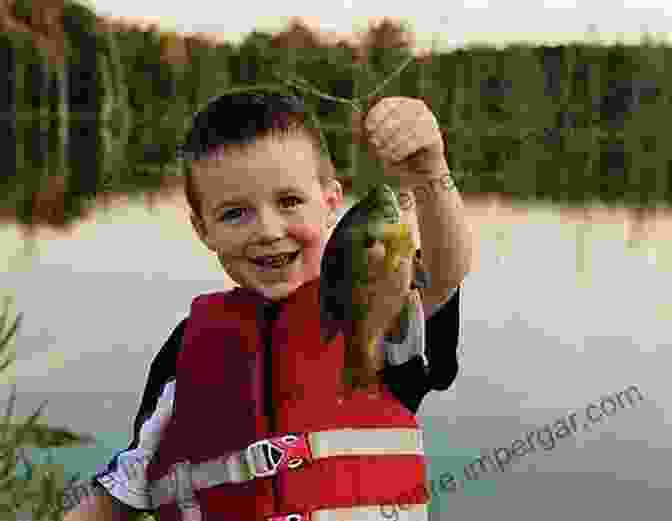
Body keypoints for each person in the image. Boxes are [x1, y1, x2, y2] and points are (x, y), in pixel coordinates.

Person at [63, 85, 473, 521]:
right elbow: (122, 490)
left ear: (331, 203)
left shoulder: (373, 301)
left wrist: (430, 169)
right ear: (204, 230)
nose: (268, 230)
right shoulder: (188, 348)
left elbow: (448, 268)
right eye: (235, 213)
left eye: (290, 201)